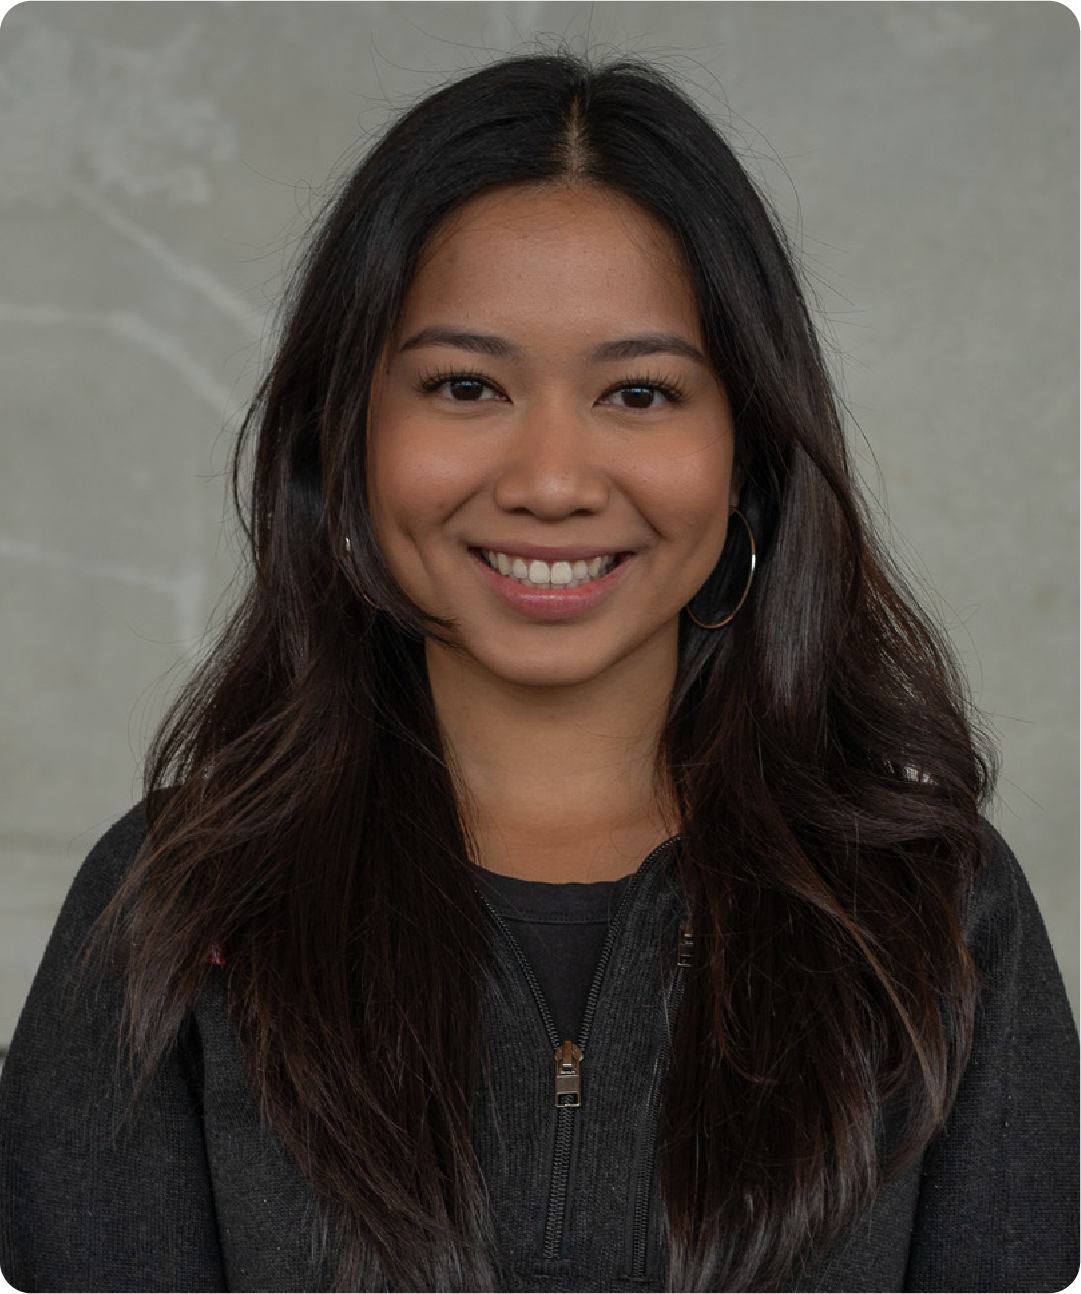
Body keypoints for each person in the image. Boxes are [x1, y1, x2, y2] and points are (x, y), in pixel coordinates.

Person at [0, 52, 1076, 1294]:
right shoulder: (171, 906)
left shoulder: (935, 913)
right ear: (346, 434)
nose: (552, 480)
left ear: (749, 452)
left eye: (638, 390)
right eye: (465, 384)